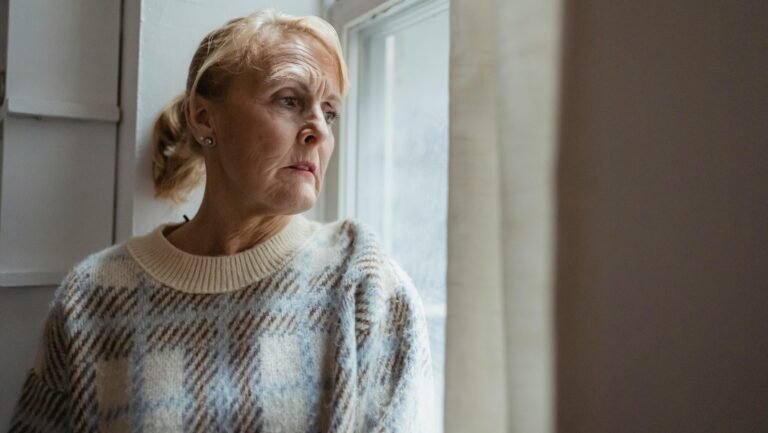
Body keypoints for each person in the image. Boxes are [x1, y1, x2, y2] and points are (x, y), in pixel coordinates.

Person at [8, 9, 434, 433]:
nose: (319, 131)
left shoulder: (365, 286)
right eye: (289, 100)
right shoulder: (92, 298)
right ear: (203, 117)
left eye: (330, 112)